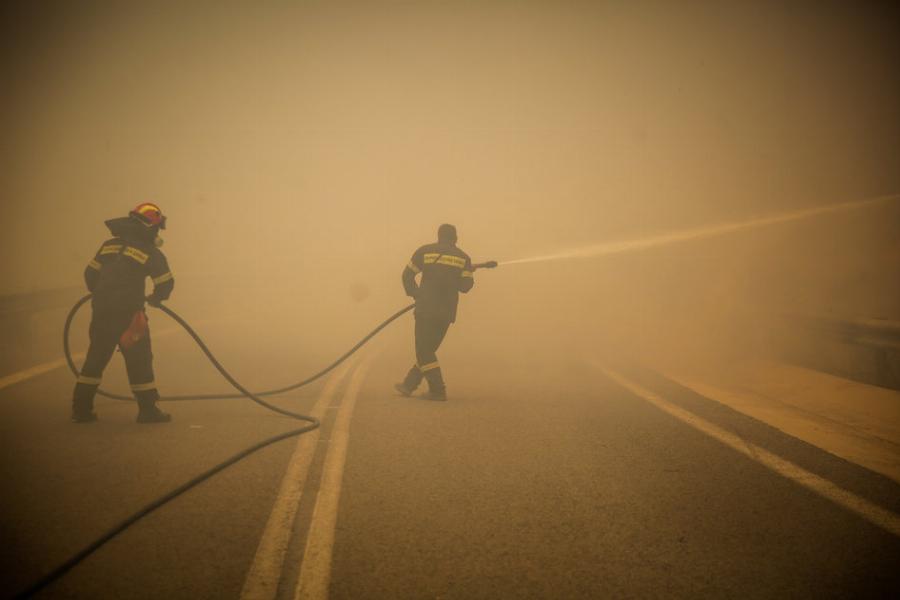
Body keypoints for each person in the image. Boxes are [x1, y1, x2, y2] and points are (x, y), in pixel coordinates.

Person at [71, 203, 175, 423]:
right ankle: (148, 411)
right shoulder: (150, 252)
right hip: (130, 317)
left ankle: (81, 410)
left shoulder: (108, 246)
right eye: (157, 228)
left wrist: (103, 295)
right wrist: (156, 299)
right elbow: (165, 283)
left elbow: (90, 274)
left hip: (101, 312)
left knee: (96, 358)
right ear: (150, 228)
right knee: (139, 360)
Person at [395, 224, 474, 401]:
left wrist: (416, 294)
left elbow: (407, 275)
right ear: (455, 238)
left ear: (439, 236)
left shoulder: (425, 252)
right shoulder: (463, 258)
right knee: (427, 349)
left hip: (426, 310)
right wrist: (461, 274)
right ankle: (409, 384)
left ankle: (438, 390)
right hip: (446, 312)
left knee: (424, 351)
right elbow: (466, 287)